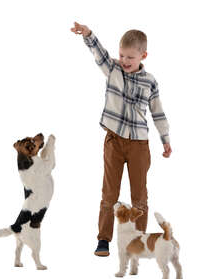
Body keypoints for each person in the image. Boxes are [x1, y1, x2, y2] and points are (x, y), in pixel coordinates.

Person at [71, 22, 172, 256]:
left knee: (139, 194)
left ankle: (137, 240)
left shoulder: (150, 81)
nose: (125, 60)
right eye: (122, 55)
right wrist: (88, 34)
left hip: (139, 144)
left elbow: (158, 112)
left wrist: (165, 139)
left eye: (131, 57)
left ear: (143, 55)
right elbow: (99, 53)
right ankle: (104, 239)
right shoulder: (113, 69)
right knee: (109, 193)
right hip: (114, 141)